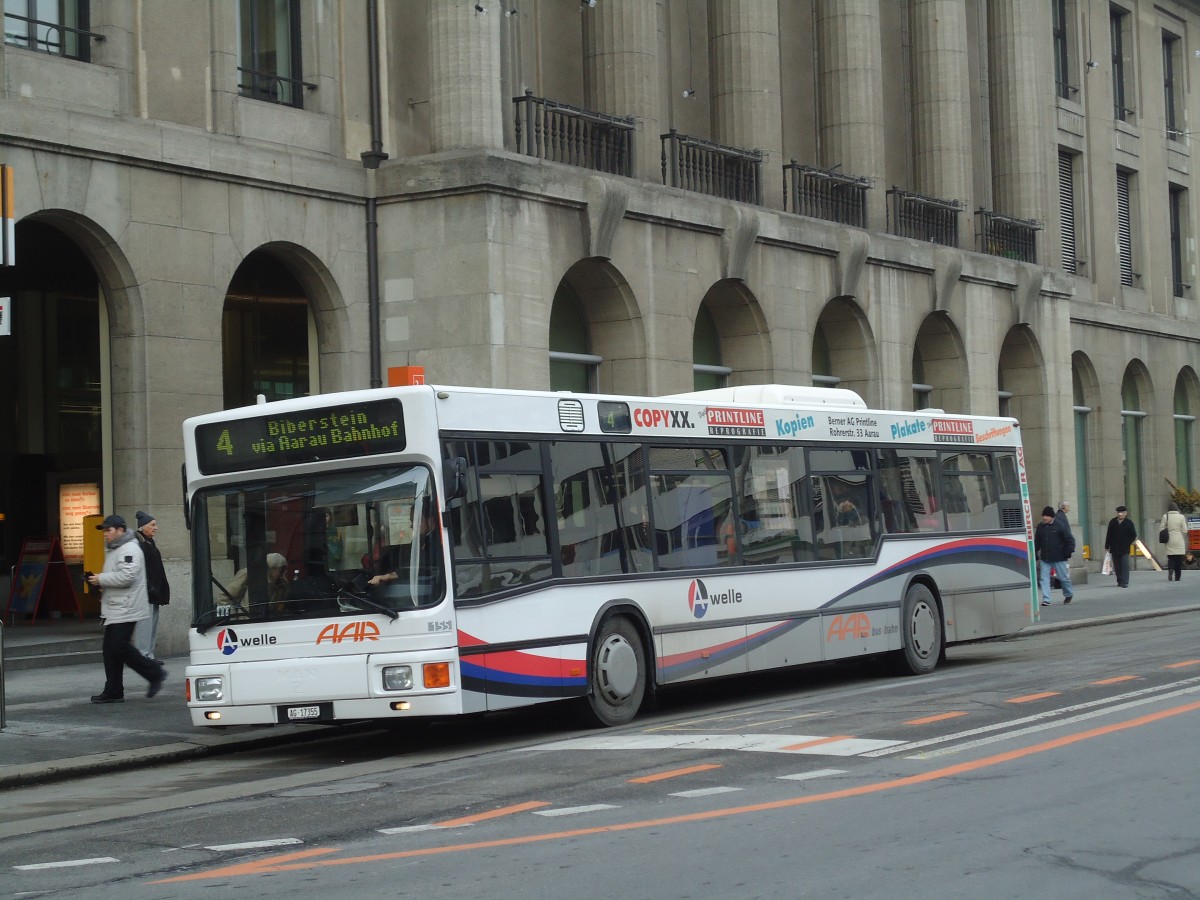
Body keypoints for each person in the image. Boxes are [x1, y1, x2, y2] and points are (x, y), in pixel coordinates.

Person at [87, 514, 167, 703]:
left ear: (120, 530)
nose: (105, 534)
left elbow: (127, 576)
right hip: (117, 607)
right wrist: (99, 582)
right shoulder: (117, 548)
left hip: (126, 607)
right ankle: (114, 690)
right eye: (104, 530)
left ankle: (154, 673)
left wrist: (101, 579)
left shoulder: (129, 548)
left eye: (108, 530)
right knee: (110, 649)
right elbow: (121, 575)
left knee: (118, 646)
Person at [132, 511, 170, 659]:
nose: (156, 528)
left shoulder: (148, 542)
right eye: (152, 525)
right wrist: (150, 587)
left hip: (153, 591)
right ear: (143, 526)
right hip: (146, 592)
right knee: (145, 624)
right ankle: (143, 655)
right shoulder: (139, 543)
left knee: (152, 624)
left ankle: (149, 654)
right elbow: (141, 570)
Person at [1034, 505, 1075, 607]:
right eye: (1043, 516)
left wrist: (1068, 552)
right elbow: (1037, 541)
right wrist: (1035, 552)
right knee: (1044, 579)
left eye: (1046, 516)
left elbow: (1069, 539)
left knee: (1063, 578)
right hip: (1045, 558)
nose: (1044, 518)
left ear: (1051, 516)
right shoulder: (1040, 527)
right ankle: (1046, 599)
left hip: (1059, 557)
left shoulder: (1060, 525)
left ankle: (1068, 594)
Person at [224, 552, 289, 609]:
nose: (282, 573)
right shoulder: (248, 574)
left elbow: (281, 604)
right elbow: (225, 598)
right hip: (246, 617)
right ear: (270, 568)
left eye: (283, 570)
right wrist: (234, 617)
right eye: (280, 570)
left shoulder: (282, 584)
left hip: (268, 618)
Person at [1104, 505, 1138, 588]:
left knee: (1124, 565)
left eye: (1122, 512)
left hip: (1124, 548)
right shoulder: (1113, 522)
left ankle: (1125, 582)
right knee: (1117, 565)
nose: (1120, 514)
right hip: (1114, 547)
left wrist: (1127, 543)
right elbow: (1109, 534)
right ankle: (1119, 580)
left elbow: (1133, 535)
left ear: (1125, 513)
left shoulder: (1128, 522)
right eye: (1118, 512)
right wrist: (1107, 545)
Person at [1160, 501, 1189, 581]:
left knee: (1171, 557)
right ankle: (1177, 577)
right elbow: (1185, 530)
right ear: (1177, 509)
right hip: (1179, 539)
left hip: (1169, 540)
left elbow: (1161, 528)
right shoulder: (1181, 517)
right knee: (1178, 560)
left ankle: (1170, 568)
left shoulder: (1165, 516)